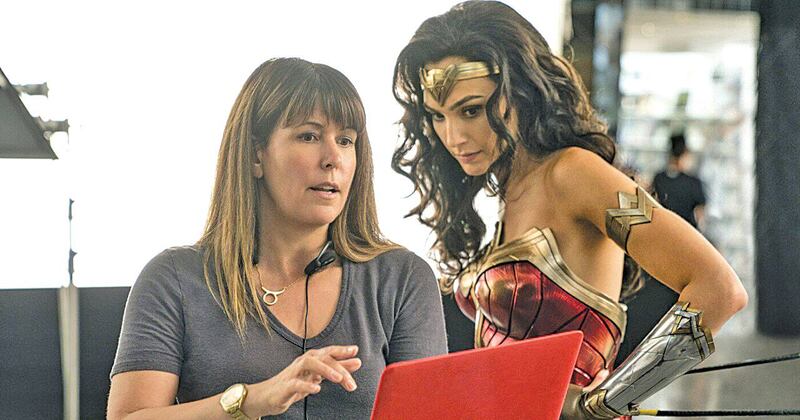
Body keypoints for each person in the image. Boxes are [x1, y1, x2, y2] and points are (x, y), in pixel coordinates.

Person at [391, 2, 747, 418]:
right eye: (438, 116)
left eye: (471, 110)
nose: (454, 136)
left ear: (521, 90)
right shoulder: (514, 186)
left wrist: (602, 403)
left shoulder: (573, 173)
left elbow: (719, 289)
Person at [107, 57, 447, 420]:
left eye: (346, 140)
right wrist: (252, 399)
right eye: (309, 136)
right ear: (256, 155)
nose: (333, 158)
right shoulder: (174, 279)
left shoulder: (403, 279)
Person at [652, 133, 707, 230]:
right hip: (687, 232)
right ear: (684, 155)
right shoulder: (693, 182)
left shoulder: (659, 179)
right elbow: (700, 214)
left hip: (663, 230)